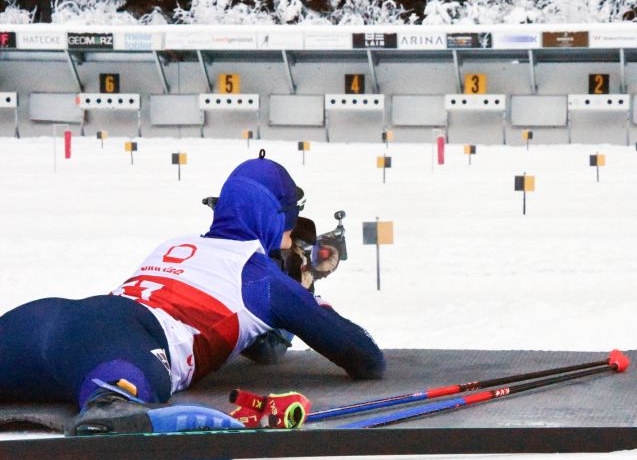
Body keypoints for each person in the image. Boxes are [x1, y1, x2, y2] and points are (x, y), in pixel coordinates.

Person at [0, 152, 385, 435]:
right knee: (112, 419)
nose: (288, 241)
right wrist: (310, 298)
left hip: (48, 319)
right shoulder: (260, 278)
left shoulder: (177, 244)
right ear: (275, 219)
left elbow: (258, 346)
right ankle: (109, 399)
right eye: (289, 228)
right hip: (126, 341)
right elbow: (364, 357)